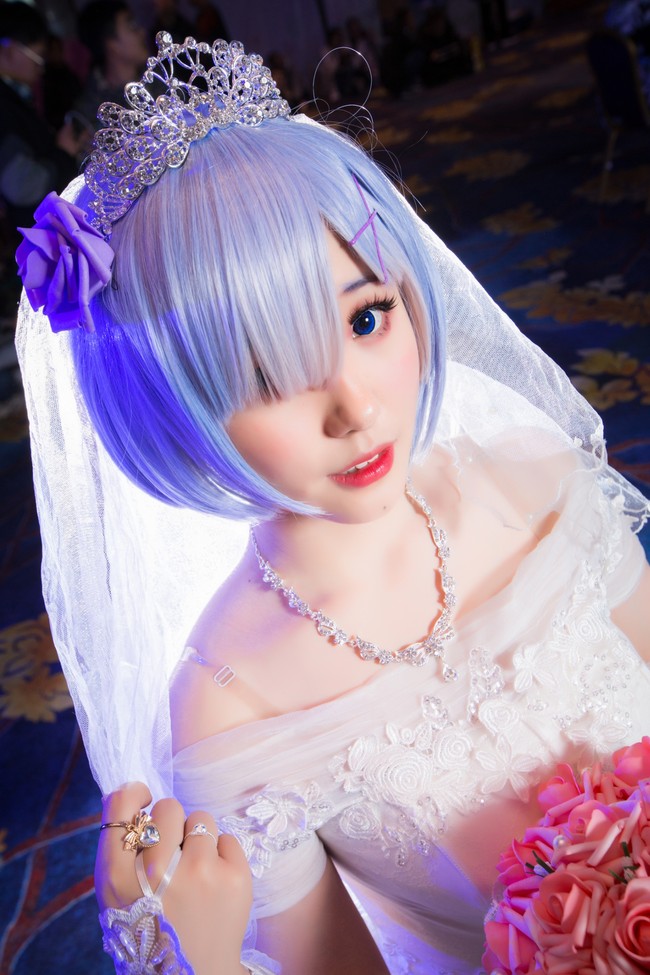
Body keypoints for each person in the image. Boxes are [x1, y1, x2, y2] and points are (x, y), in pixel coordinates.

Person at [15, 31, 650, 975]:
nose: (356, 408)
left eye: (366, 317)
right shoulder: (228, 704)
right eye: (268, 373)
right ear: (171, 406)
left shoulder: (533, 478)